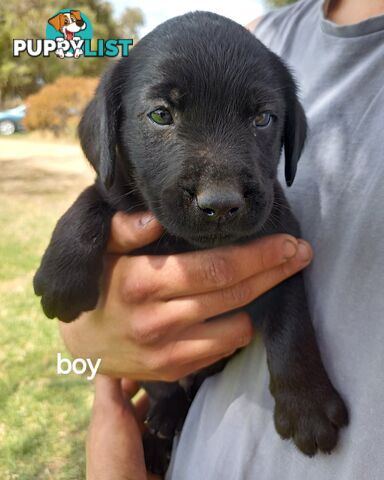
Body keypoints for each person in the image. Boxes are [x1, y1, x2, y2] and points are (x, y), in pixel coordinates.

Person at [68, 0, 384, 478]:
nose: (221, 189)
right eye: (161, 114)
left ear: (290, 135)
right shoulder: (271, 30)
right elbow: (87, 340)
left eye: (260, 121)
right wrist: (83, 339)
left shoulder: (272, 64)